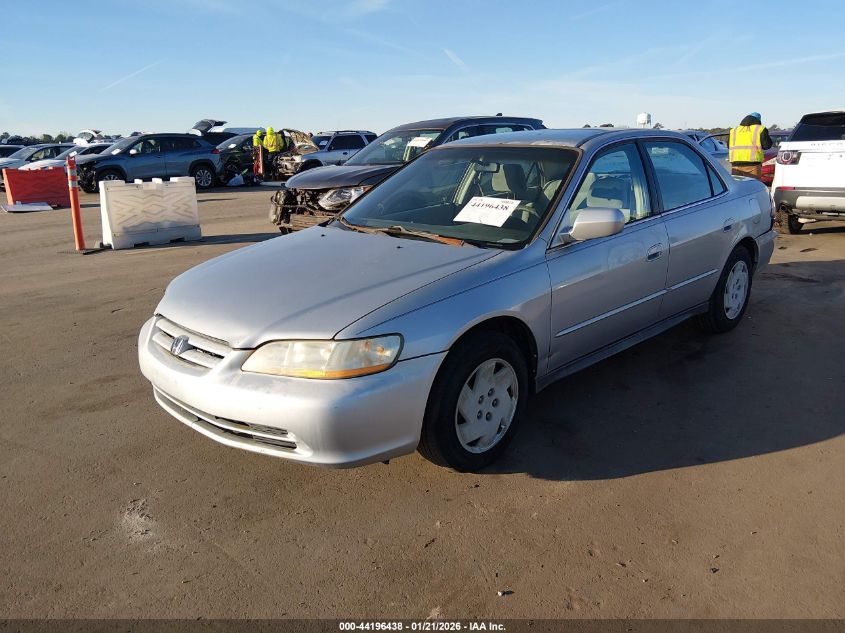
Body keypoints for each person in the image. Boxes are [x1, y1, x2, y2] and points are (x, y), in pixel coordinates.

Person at [728, 112, 772, 179]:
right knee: (753, 187)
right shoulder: (760, 129)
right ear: (758, 120)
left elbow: (729, 146)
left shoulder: (733, 130)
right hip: (753, 165)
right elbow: (767, 146)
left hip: (736, 165)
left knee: (739, 187)